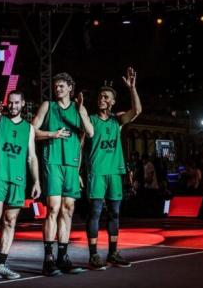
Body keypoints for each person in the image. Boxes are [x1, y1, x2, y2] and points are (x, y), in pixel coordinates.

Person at [0, 91, 41, 284]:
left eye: (16, 103)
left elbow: (31, 157)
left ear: (22, 104)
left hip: (18, 179)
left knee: (10, 221)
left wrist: (36, 181)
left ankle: (2, 264)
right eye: (10, 103)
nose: (12, 106)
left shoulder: (29, 128)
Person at [32, 72, 93, 276]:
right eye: (56, 86)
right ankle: (48, 259)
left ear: (70, 88)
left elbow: (88, 135)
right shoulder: (48, 106)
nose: (57, 89)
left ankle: (63, 257)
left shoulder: (78, 109)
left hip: (71, 165)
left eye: (61, 86)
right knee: (53, 209)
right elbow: (31, 131)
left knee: (68, 209)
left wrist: (78, 172)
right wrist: (52, 134)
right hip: (53, 162)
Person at [85, 67, 141, 270]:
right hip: (97, 173)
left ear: (112, 102)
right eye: (100, 96)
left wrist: (132, 88)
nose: (102, 98)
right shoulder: (90, 120)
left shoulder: (117, 121)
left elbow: (137, 111)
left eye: (106, 96)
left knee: (115, 214)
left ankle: (113, 253)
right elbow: (82, 145)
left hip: (115, 173)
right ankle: (93, 255)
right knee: (95, 213)